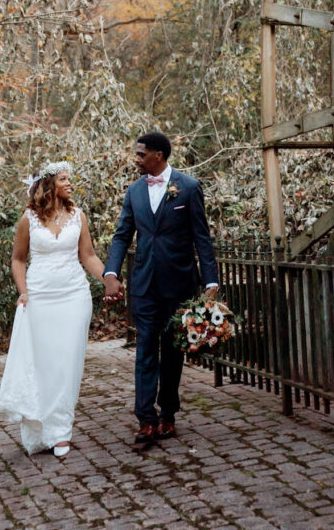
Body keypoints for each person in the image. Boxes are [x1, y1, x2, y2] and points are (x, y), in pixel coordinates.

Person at [103, 132, 219, 447]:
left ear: (159, 155)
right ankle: (146, 420)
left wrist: (211, 281)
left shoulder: (189, 188)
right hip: (144, 286)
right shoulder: (134, 192)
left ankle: (168, 413)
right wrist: (110, 272)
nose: (136, 159)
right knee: (145, 350)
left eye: (141, 154)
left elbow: (202, 238)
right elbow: (122, 235)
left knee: (172, 352)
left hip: (179, 284)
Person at [0, 161, 105, 456]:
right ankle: (41, 427)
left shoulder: (78, 216)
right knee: (44, 366)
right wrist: (23, 292)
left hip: (74, 296)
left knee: (67, 364)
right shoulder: (28, 219)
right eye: (63, 178)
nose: (70, 183)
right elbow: (18, 259)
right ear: (48, 185)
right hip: (40, 298)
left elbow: (89, 256)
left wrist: (109, 279)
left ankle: (60, 433)